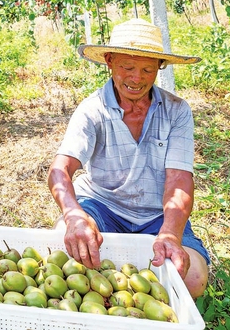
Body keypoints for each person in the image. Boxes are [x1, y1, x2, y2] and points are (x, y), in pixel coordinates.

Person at [47, 18, 210, 299]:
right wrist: (74, 215)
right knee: (67, 249)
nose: (137, 78)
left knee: (193, 278)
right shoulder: (92, 110)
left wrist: (170, 233)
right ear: (109, 61)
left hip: (157, 214)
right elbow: (60, 169)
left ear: (159, 67)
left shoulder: (176, 111)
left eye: (147, 69)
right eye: (127, 67)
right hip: (102, 206)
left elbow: (179, 180)